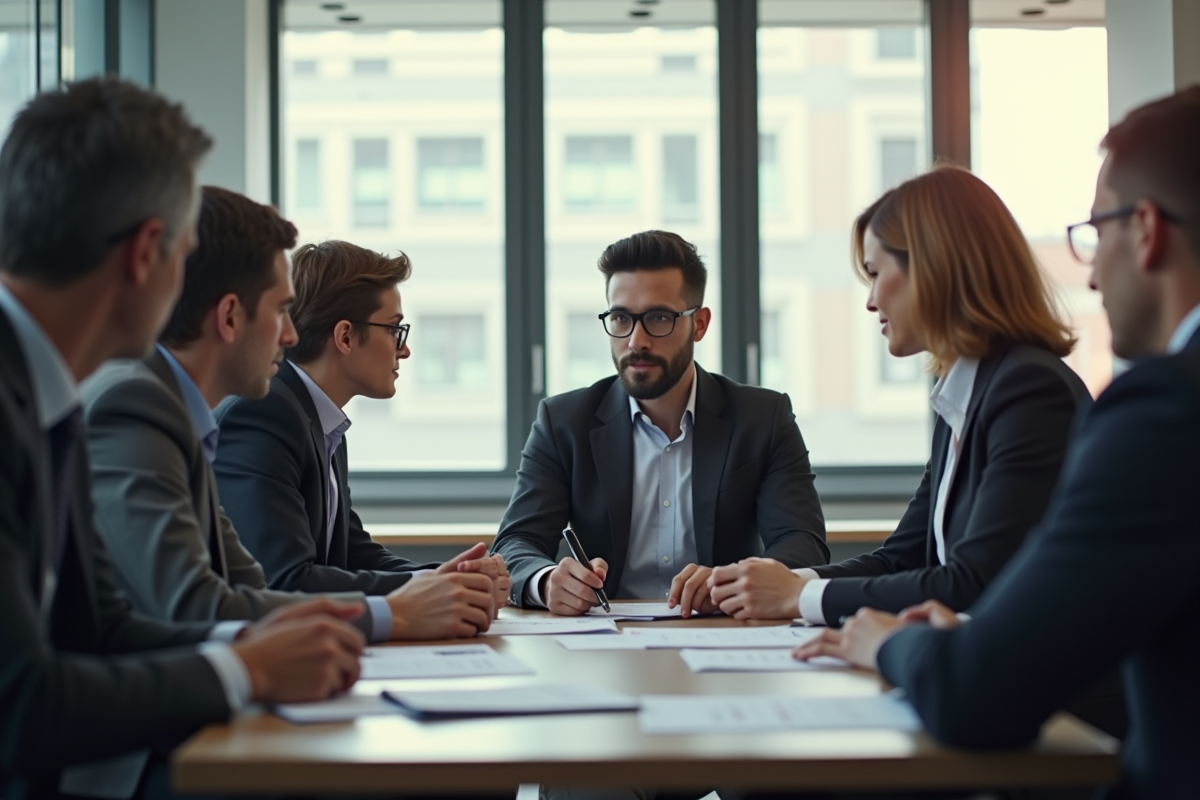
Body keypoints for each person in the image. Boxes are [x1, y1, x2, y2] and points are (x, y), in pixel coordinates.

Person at [793, 87, 1200, 800]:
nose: (1093, 273)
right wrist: (804, 589)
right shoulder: (965, 394)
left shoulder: (1152, 410)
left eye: (1096, 234)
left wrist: (884, 637)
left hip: (1078, 741)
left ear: (1147, 230)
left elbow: (976, 676)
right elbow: (922, 555)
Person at [0, 78, 364, 800]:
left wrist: (260, 646)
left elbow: (100, 628)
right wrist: (245, 670)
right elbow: (17, 704)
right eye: (185, 252)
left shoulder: (52, 401)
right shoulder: (54, 404)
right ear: (146, 255)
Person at [82, 186, 499, 642]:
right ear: (228, 318)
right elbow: (207, 602)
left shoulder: (187, 417)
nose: (289, 335)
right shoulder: (149, 408)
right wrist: (394, 613)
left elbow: (252, 584)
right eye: (282, 311)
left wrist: (435, 585)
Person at [710, 165, 1091, 627]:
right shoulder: (965, 396)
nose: (870, 300)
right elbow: (904, 558)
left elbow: (974, 582)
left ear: (934, 268)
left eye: (875, 273)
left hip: (1054, 694)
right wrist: (763, 587)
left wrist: (798, 597)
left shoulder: (1029, 390)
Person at [491, 230, 827, 618]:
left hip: (722, 632)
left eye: (658, 318)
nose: (636, 341)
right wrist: (547, 581)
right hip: (603, 640)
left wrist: (734, 580)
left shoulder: (762, 418)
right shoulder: (564, 422)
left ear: (699, 324)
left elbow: (803, 542)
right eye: (620, 318)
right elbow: (515, 543)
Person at [214, 240, 509, 614]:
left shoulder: (320, 418)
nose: (404, 350)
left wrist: (446, 579)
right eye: (394, 330)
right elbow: (285, 579)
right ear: (345, 337)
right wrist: (439, 585)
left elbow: (352, 553)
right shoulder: (264, 414)